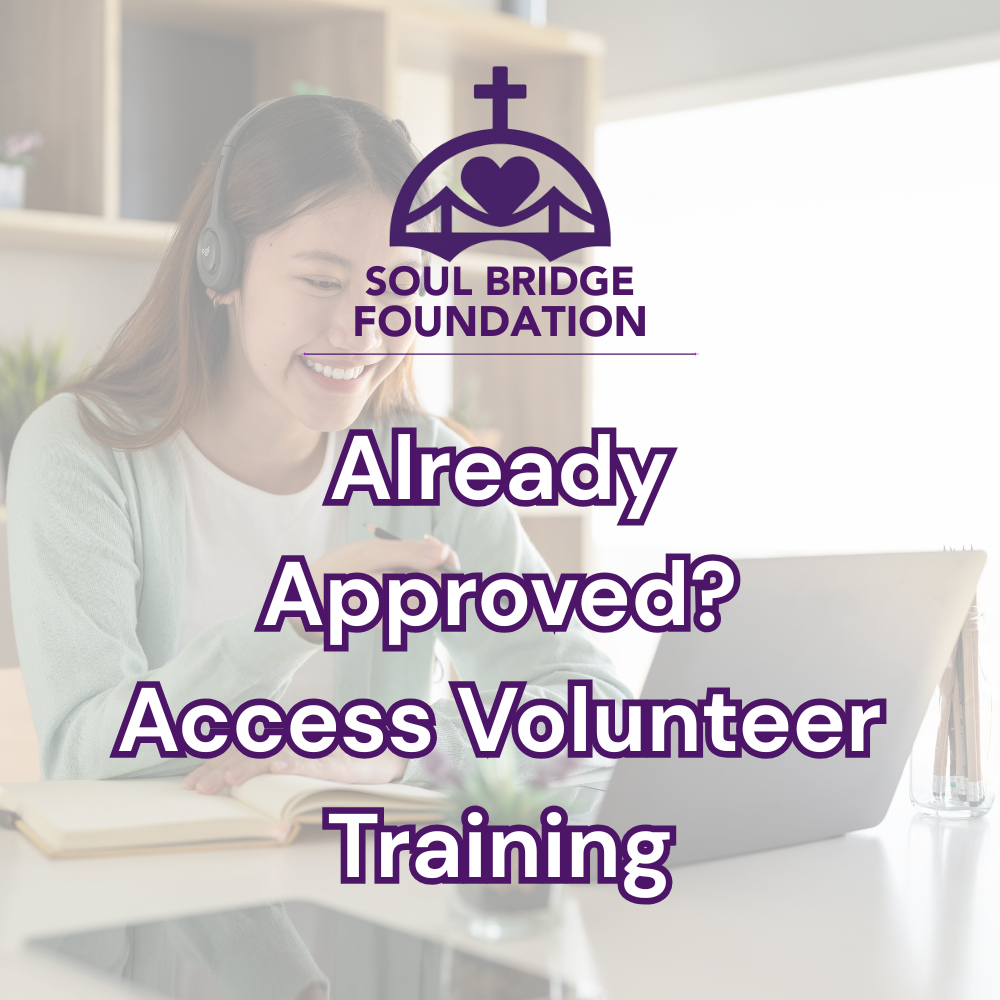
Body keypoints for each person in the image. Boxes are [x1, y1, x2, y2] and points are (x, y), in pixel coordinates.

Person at [7, 94, 629, 798]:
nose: (362, 332)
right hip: (160, 894)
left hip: (373, 891)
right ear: (222, 270)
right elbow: (83, 751)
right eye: (322, 282)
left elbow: (594, 705)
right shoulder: (82, 453)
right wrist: (293, 622)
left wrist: (402, 751)